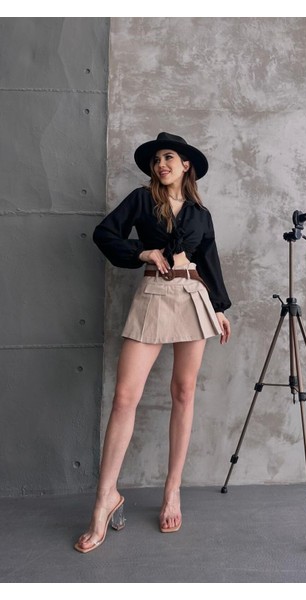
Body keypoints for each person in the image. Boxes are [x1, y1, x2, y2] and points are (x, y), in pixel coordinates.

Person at [74, 132, 231, 553]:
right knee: (125, 398)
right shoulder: (141, 200)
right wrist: (142, 253)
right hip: (153, 294)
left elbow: (209, 261)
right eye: (156, 159)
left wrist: (219, 307)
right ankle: (105, 499)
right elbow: (104, 233)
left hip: (193, 296)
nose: (161, 164)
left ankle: (172, 490)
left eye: (169, 157)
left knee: (183, 393)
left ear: (185, 165)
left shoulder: (200, 214)